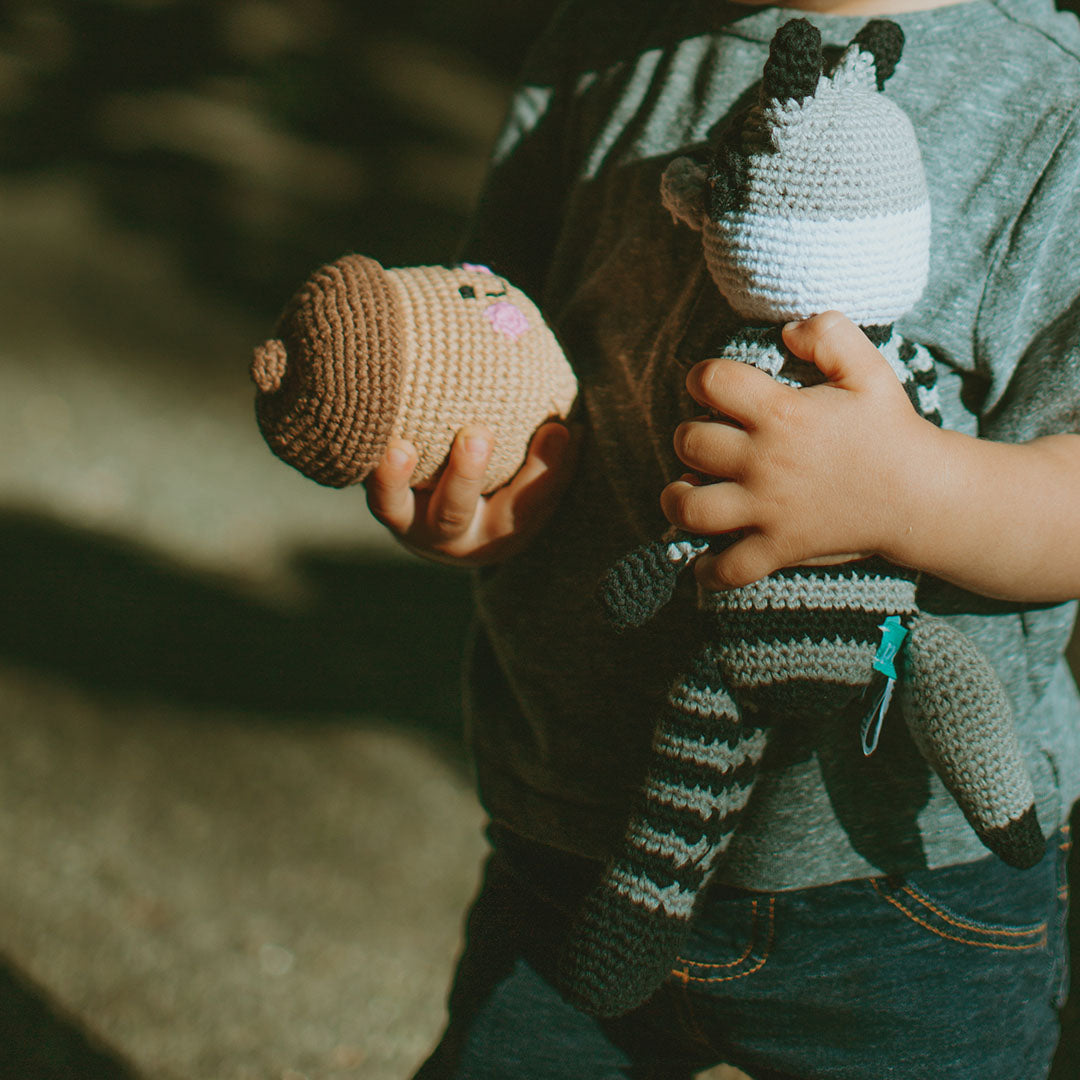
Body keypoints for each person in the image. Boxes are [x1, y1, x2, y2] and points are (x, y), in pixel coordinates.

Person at [366, 0, 1080, 1076]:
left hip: (902, 884)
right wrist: (477, 496)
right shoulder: (601, 43)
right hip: (577, 830)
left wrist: (913, 492)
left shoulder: (1052, 108)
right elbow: (499, 335)